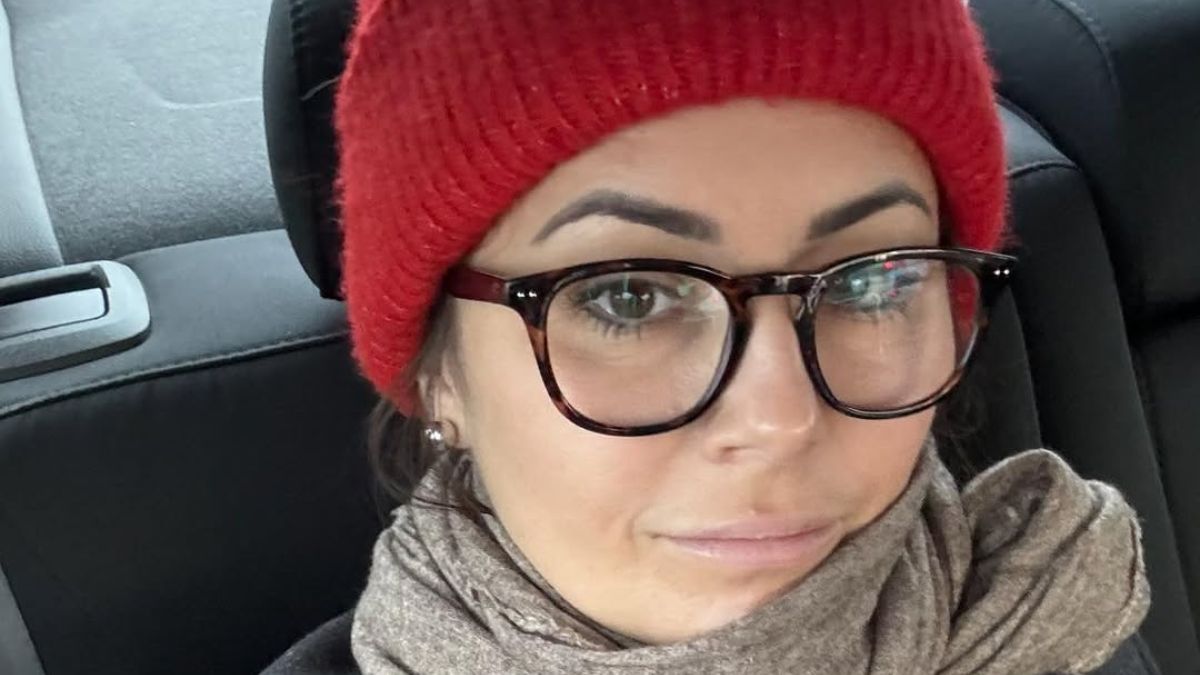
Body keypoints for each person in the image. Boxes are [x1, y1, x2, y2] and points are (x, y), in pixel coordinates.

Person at [265, 1, 1153, 673]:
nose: (780, 419)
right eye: (628, 298)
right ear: (441, 376)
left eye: (873, 282)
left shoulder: (1063, 618)